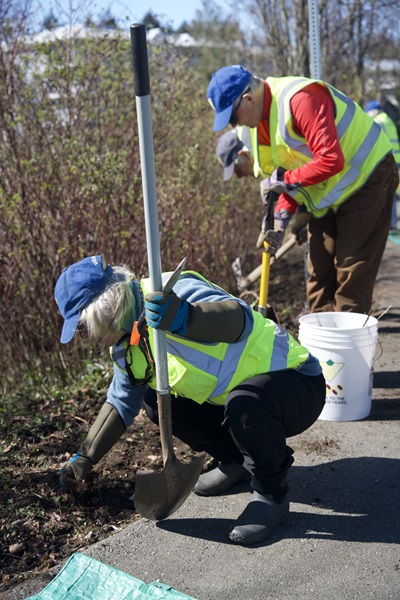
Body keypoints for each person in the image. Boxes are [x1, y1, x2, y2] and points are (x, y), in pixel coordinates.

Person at [55, 254, 325, 545]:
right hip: (241, 402)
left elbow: (239, 319)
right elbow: (120, 403)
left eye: (83, 328)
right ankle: (237, 461)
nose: (86, 338)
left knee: (244, 403)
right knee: (156, 403)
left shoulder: (173, 291)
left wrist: (185, 317)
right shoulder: (126, 346)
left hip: (297, 384)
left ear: (102, 310)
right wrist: (85, 458)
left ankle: (271, 494)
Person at [207, 65, 399, 314]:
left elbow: (330, 160)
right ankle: (318, 351)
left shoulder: (300, 99)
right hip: (331, 195)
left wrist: (286, 183)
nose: (233, 126)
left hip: (367, 178)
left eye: (232, 118)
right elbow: (289, 172)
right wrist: (281, 218)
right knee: (318, 280)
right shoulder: (257, 126)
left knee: (350, 276)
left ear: (248, 99)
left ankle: (346, 351)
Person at [365, 99, 400, 231]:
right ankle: (392, 223)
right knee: (393, 192)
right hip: (396, 159)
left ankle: (388, 224)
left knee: (386, 193)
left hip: (386, 161)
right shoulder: (388, 120)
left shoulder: (377, 121)